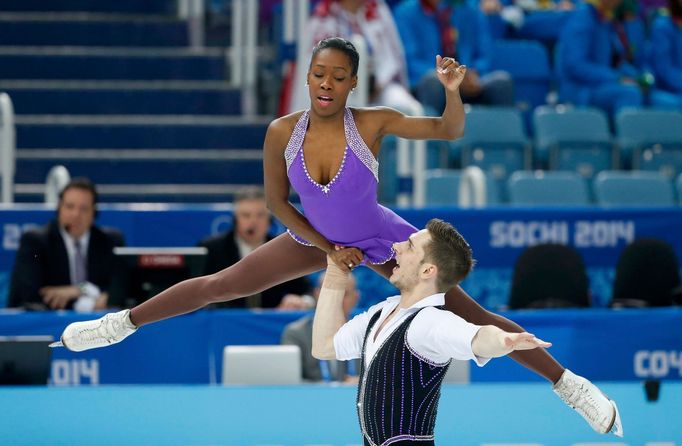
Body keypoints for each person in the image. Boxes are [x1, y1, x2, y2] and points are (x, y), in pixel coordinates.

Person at [54, 37, 620, 437]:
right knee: (216, 285)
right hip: (313, 238)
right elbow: (278, 203)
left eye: (339, 77)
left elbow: (448, 130)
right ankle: (118, 325)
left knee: (475, 316)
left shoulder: (370, 122)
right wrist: (328, 251)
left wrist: (450, 88)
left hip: (379, 236)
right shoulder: (281, 131)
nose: (327, 84)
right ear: (308, 77)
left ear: (353, 83)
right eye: (319, 75)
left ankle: (570, 385)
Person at [312, 219, 621, 444]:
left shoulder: (429, 323)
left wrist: (503, 340)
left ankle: (570, 385)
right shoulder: (380, 313)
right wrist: (335, 274)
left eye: (407, 246)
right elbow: (325, 347)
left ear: (428, 270)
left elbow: (475, 336)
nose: (393, 247)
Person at [8, 178, 125, 312]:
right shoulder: (35, 241)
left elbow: (120, 293)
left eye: (84, 209)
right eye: (70, 207)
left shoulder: (110, 241)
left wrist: (80, 290)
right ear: (59, 209)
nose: (76, 214)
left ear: (94, 213)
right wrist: (88, 303)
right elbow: (30, 298)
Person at [288, 0, 423, 115]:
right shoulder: (321, 20)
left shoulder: (378, 10)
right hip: (338, 95)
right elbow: (313, 79)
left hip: (380, 89)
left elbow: (394, 57)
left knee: (408, 108)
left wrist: (379, 84)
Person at [198, 186, 311, 309]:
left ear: (270, 219)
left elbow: (307, 292)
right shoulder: (212, 249)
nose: (253, 222)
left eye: (260, 215)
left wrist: (302, 301)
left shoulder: (285, 250)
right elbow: (198, 292)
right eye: (246, 215)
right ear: (235, 219)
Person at [393, 0, 514, 113]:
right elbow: (409, 61)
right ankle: (431, 133)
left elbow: (484, 54)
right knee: (432, 81)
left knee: (502, 82)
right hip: (432, 81)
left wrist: (475, 72)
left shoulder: (471, 10)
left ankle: (502, 134)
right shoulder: (405, 14)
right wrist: (447, 77)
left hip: (467, 79)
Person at [281, 271, 361, 382]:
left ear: (356, 298)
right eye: (330, 293)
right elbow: (290, 381)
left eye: (344, 294)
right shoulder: (296, 333)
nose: (337, 299)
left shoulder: (368, 333)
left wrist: (364, 383)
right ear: (317, 295)